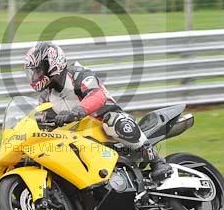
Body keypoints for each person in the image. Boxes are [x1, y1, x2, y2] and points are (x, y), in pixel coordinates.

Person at [23, 41, 173, 182]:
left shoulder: (78, 75)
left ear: (53, 64)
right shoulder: (45, 97)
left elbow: (97, 95)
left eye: (38, 70)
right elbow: (43, 120)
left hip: (105, 122)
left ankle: (157, 162)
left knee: (113, 122)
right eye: (33, 72)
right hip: (79, 135)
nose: (35, 76)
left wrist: (77, 112)